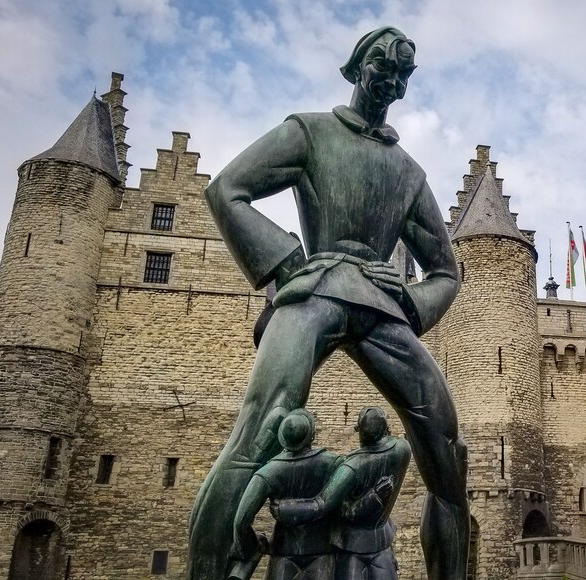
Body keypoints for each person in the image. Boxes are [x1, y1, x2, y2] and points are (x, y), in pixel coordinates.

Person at [187, 26, 469, 580]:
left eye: (403, 72)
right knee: (259, 430)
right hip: (314, 291)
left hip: (383, 310)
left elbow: (445, 271)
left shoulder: (409, 173)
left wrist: (410, 306)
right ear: (357, 66)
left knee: (447, 451)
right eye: (383, 65)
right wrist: (289, 264)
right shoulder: (310, 132)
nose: (391, 79)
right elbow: (227, 190)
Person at [272, 407, 412, 580]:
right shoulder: (403, 449)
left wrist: (286, 509)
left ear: (360, 433)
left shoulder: (352, 467)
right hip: (383, 540)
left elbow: (321, 505)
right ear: (386, 428)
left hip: (353, 547)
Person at [228, 409, 340, 580]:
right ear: (311, 434)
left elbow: (240, 522)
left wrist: (251, 548)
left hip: (283, 553)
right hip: (322, 552)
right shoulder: (332, 463)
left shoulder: (268, 472)